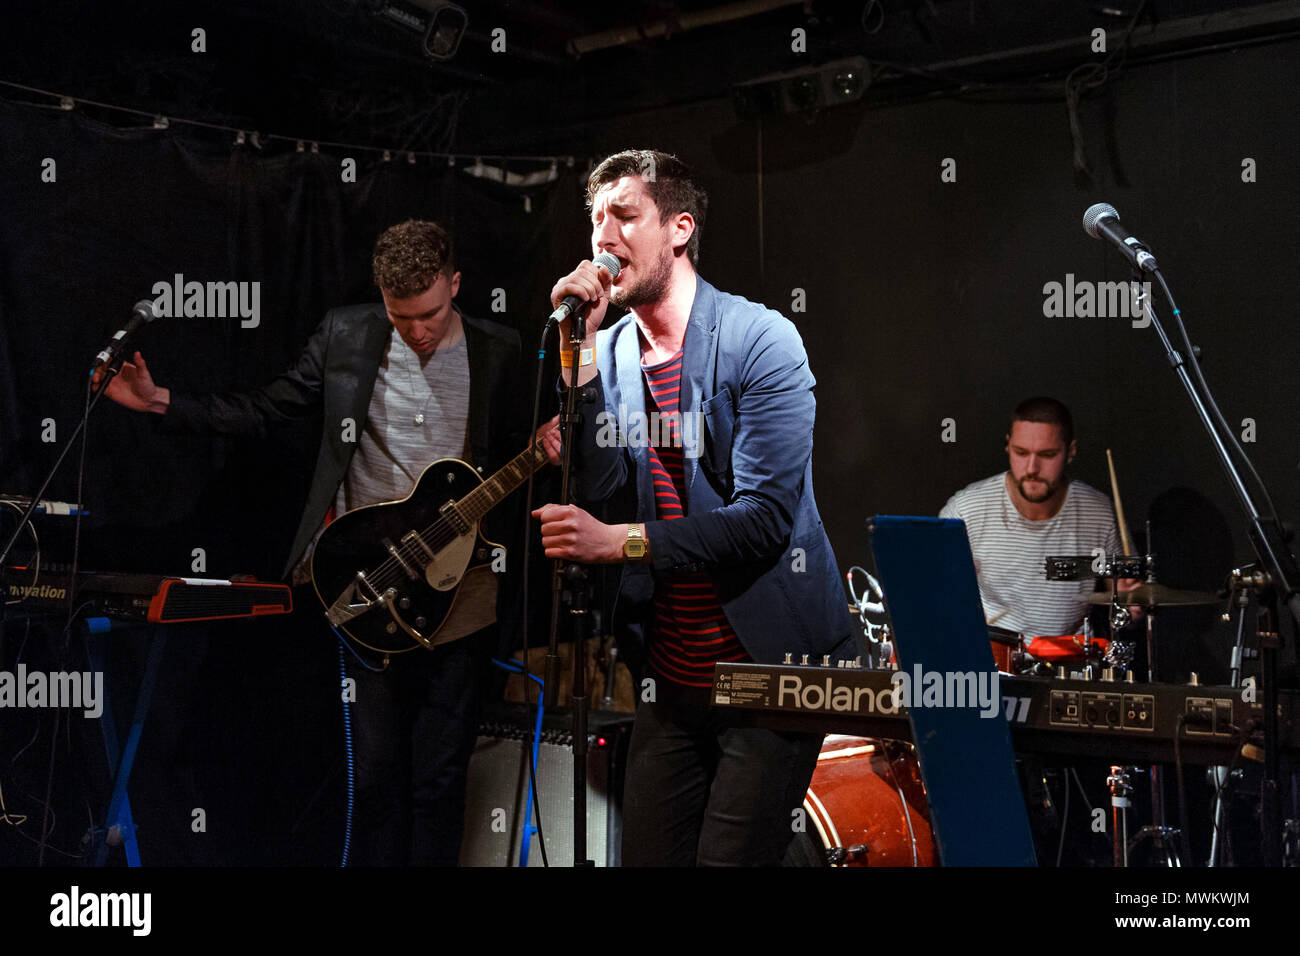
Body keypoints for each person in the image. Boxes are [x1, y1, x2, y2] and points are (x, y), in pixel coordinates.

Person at [95, 219, 561, 865]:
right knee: (372, 776)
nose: (418, 332)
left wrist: (550, 444)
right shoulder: (349, 333)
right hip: (366, 583)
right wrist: (160, 404)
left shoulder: (500, 349)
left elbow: (518, 445)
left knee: (441, 776)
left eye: (429, 314)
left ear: (455, 285)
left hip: (465, 590)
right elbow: (266, 407)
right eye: (402, 318)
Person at [533, 149, 851, 866]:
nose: (603, 238)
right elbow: (599, 485)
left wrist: (619, 544)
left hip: (769, 673)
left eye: (624, 215)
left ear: (679, 228)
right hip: (670, 678)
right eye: (594, 220)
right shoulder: (606, 354)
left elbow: (764, 520)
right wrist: (578, 363)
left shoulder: (760, 341)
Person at [940, 396, 1125, 639]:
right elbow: (937, 598)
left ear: (1070, 452)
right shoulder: (965, 510)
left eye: (1047, 455)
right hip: (992, 663)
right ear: (1008, 446)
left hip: (1070, 665)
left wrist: (1131, 605)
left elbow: (1123, 601)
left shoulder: (1099, 512)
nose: (1031, 468)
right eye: (1021, 452)